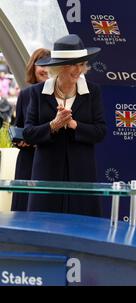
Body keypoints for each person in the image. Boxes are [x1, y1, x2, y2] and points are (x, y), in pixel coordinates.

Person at [23, 34, 106, 217]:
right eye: (73, 64)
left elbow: (100, 132)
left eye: (82, 64)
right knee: (43, 227)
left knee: (84, 228)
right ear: (59, 68)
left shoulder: (92, 92)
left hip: (82, 173)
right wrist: (53, 125)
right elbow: (28, 133)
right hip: (46, 174)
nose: (78, 70)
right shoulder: (37, 93)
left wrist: (74, 124)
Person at [11, 48, 50, 211]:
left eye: (51, 65)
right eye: (41, 65)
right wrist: (20, 142)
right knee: (22, 207)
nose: (46, 70)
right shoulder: (25, 94)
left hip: (48, 159)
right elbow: (18, 127)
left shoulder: (61, 94)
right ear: (33, 68)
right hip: (27, 160)